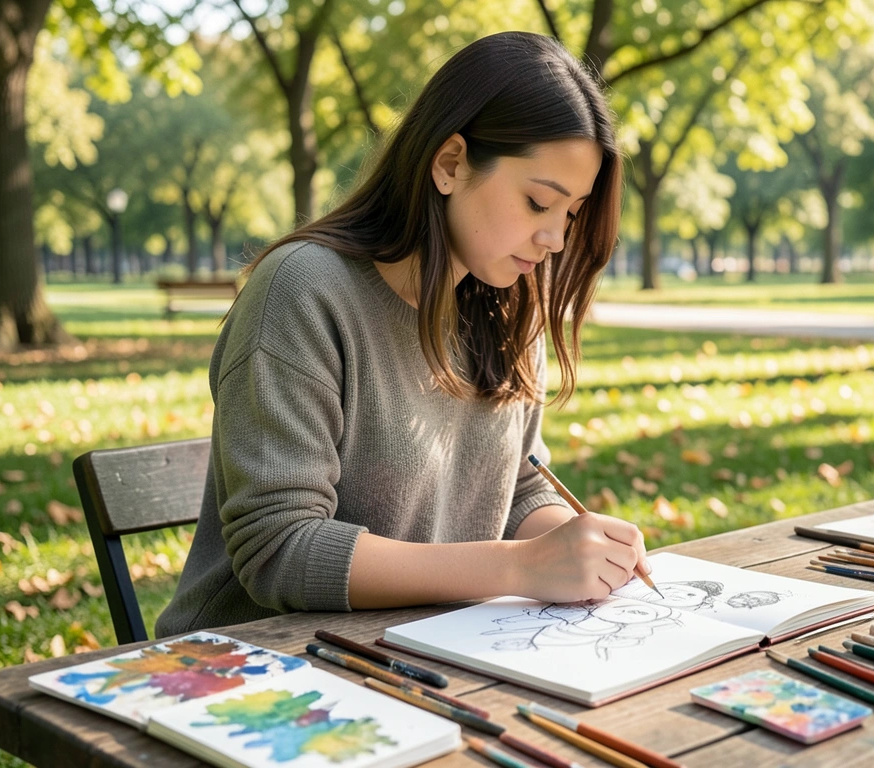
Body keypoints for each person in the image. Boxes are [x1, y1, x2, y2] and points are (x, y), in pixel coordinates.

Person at [156, 31, 652, 637]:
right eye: (536, 202)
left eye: (570, 214)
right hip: (258, 667)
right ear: (449, 164)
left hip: (422, 651)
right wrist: (522, 566)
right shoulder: (303, 290)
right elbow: (279, 548)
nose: (555, 239)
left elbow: (516, 484)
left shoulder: (508, 308)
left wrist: (581, 547)